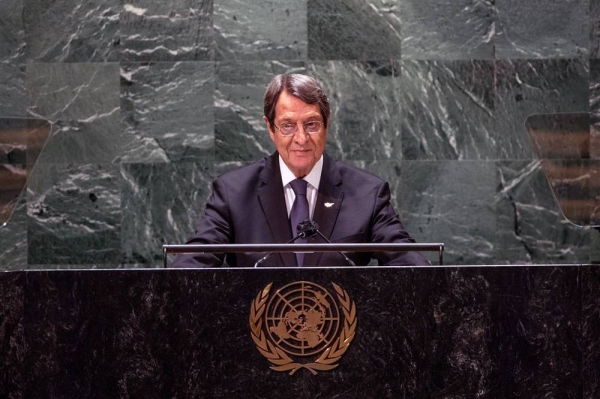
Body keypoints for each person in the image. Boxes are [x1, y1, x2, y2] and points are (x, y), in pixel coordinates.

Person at [172, 74, 429, 267]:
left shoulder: (367, 194)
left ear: (327, 125)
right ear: (270, 128)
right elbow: (195, 263)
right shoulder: (233, 193)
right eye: (287, 126)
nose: (301, 138)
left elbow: (406, 260)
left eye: (312, 124)